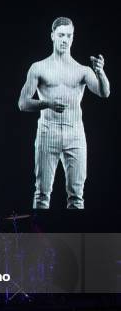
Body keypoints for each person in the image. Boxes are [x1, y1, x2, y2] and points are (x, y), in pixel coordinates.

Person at [18, 17, 110, 209]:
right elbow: (23, 103)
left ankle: (75, 238)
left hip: (74, 134)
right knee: (42, 193)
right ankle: (39, 236)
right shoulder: (39, 67)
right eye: (61, 35)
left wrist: (100, 72)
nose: (65, 40)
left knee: (77, 197)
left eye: (69, 36)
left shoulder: (81, 70)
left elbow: (104, 92)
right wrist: (47, 103)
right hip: (47, 131)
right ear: (52, 36)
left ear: (73, 38)